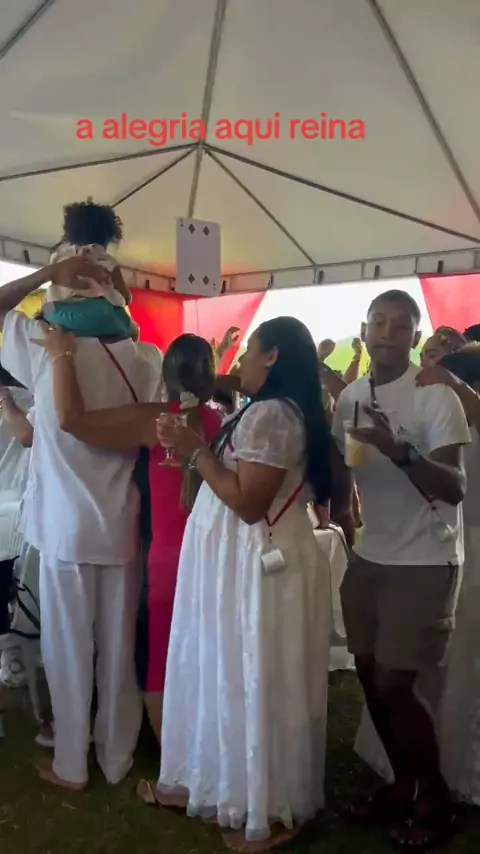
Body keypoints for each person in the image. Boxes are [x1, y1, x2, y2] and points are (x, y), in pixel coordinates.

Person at [146, 317, 351, 853]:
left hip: (259, 562)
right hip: (238, 561)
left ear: (273, 357)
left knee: (261, 677)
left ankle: (272, 807)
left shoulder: (274, 415)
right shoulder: (267, 408)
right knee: (228, 671)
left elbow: (248, 502)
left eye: (248, 352)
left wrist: (195, 448)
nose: (239, 364)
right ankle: (215, 780)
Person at [0, 255, 158, 791]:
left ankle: (72, 763)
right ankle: (117, 757)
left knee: (68, 652)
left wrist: (45, 275)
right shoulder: (145, 358)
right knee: (117, 651)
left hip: (67, 529)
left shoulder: (47, 352)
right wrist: (120, 295)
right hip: (121, 527)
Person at [332, 290, 470, 849]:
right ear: (364, 330)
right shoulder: (351, 397)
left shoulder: (434, 395)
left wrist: (400, 450)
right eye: (379, 322)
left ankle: (436, 801)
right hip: (370, 554)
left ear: (415, 336)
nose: (388, 332)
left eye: (401, 325)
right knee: (369, 677)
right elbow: (343, 469)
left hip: (425, 559)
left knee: (396, 682)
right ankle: (403, 784)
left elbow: (455, 487)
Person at [415, 347, 480, 807]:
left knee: (465, 657)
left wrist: (454, 385)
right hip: (444, 541)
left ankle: (459, 766)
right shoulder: (443, 423)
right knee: (433, 654)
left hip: (474, 548)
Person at [45, 198, 135, 340]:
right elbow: (125, 297)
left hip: (59, 317)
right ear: (109, 236)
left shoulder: (57, 257)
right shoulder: (106, 260)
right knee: (133, 329)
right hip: (95, 317)